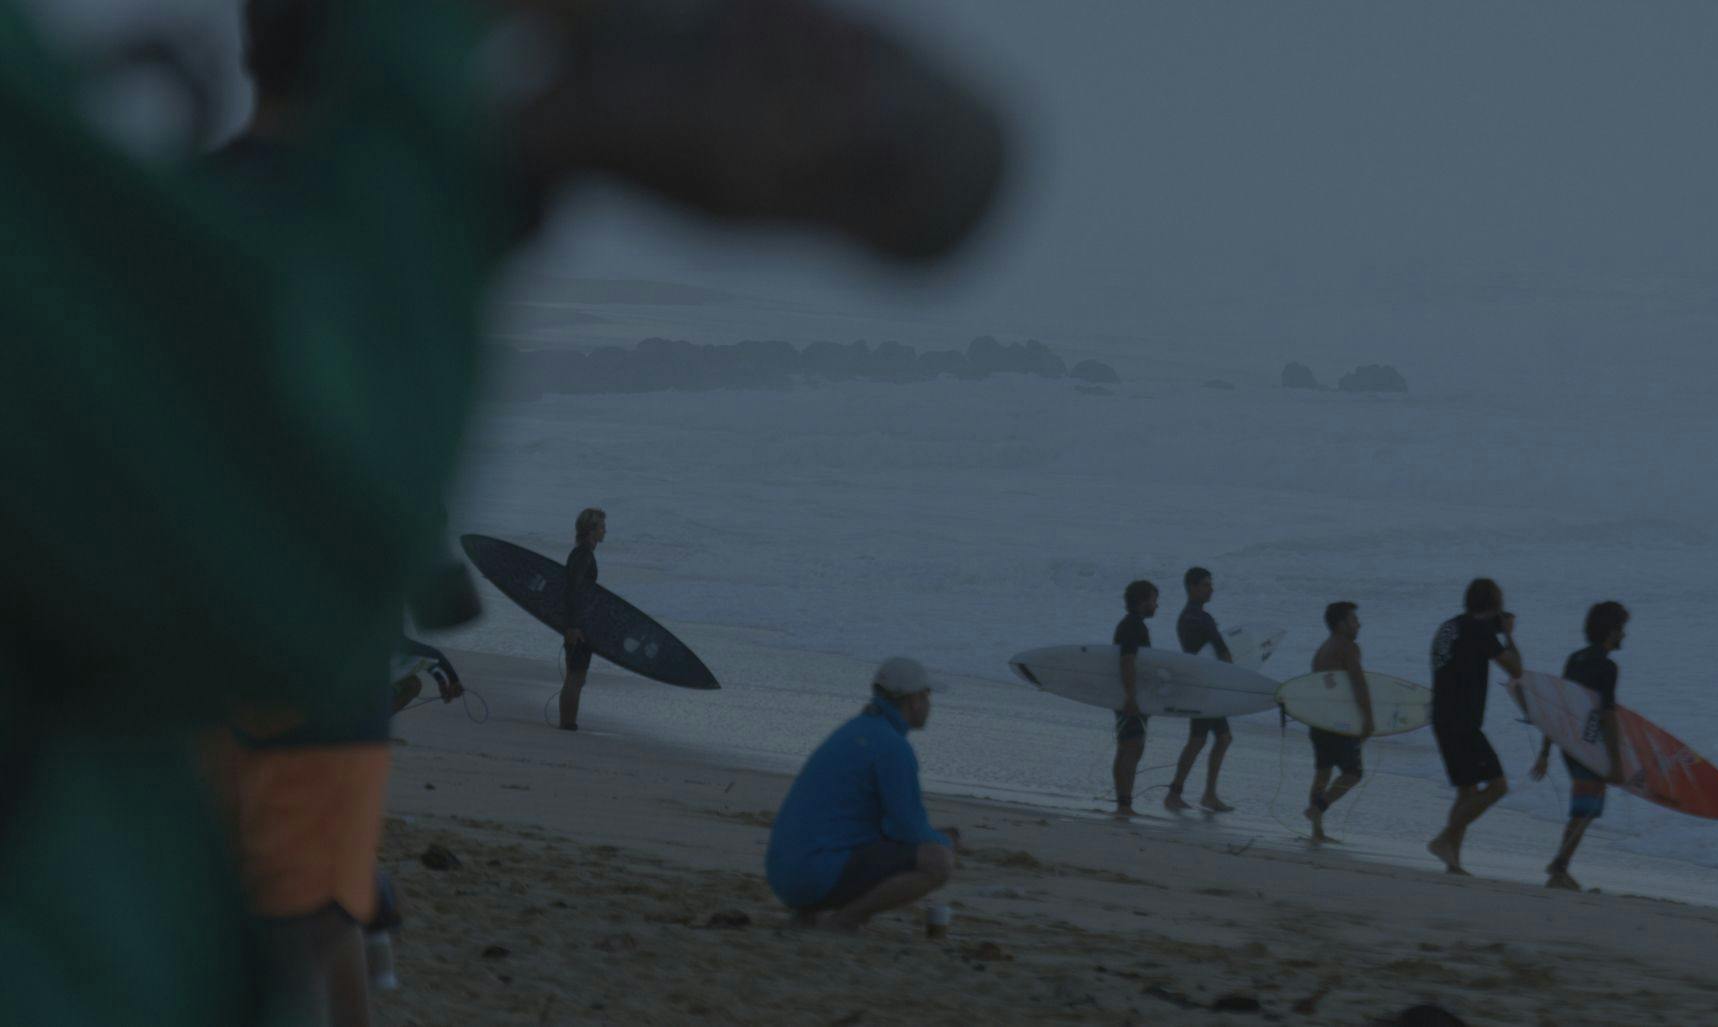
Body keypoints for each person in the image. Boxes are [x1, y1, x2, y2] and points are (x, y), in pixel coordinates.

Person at [0, 0, 1005, 1019]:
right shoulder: (325, 268)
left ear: (765, 210)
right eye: (862, 36)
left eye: (846, 116)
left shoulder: (347, 452)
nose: (812, 44)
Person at [766, 658, 959, 931]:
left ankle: (809, 912)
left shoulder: (854, 730)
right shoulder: (892, 748)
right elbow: (908, 828)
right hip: (812, 876)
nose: (929, 704)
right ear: (914, 700)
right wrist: (945, 842)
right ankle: (846, 920)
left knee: (873, 834)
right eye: (928, 695)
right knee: (937, 862)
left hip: (784, 875)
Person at [1529, 601, 1630, 891]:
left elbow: (1557, 707)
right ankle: (1559, 868)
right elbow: (1608, 716)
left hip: (1569, 744)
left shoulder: (1576, 659)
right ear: (1611, 631)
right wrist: (1616, 762)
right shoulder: (1608, 667)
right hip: (1590, 747)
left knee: (1585, 808)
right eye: (1622, 629)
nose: (1625, 635)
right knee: (1585, 809)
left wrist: (1546, 751)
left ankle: (1560, 865)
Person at [1425, 579, 1524, 874]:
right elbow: (1516, 669)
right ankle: (1443, 840)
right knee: (1497, 786)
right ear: (1494, 606)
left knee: (1467, 792)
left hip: (1442, 715)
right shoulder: (1480, 631)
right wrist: (1508, 635)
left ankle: (1453, 859)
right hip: (1462, 720)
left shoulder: (1450, 626)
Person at [1164, 567, 1236, 812]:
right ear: (1192, 587)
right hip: (1205, 688)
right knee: (1198, 740)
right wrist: (1234, 680)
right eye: (1205, 584)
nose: (1211, 588)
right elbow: (1223, 652)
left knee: (1221, 738)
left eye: (1210, 584)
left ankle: (1207, 794)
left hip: (1200, 684)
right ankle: (1177, 793)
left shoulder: (1185, 617)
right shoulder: (1202, 618)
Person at [1303, 601, 1375, 843]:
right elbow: (1358, 683)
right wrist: (1368, 719)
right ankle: (1318, 808)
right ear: (1341, 624)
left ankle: (1317, 831)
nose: (1359, 624)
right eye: (1354, 620)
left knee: (1323, 773)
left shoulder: (1323, 649)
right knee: (1353, 773)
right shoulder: (1347, 647)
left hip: (1319, 721)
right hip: (1338, 724)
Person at [1112, 580, 1160, 818]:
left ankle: (1124, 802)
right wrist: (1131, 697)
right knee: (1131, 747)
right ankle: (1124, 804)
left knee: (1129, 747)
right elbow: (1127, 661)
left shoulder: (1132, 624)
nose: (1157, 605)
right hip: (1129, 696)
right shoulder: (1133, 626)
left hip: (1129, 695)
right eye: (1153, 600)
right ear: (1142, 602)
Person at [558, 507, 606, 731]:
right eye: (602, 527)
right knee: (576, 676)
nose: (605, 531)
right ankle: (568, 724)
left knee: (576, 675)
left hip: (578, 622)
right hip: (578, 625)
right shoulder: (583, 555)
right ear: (591, 530)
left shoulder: (582, 553)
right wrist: (574, 626)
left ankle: (568, 722)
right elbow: (574, 591)